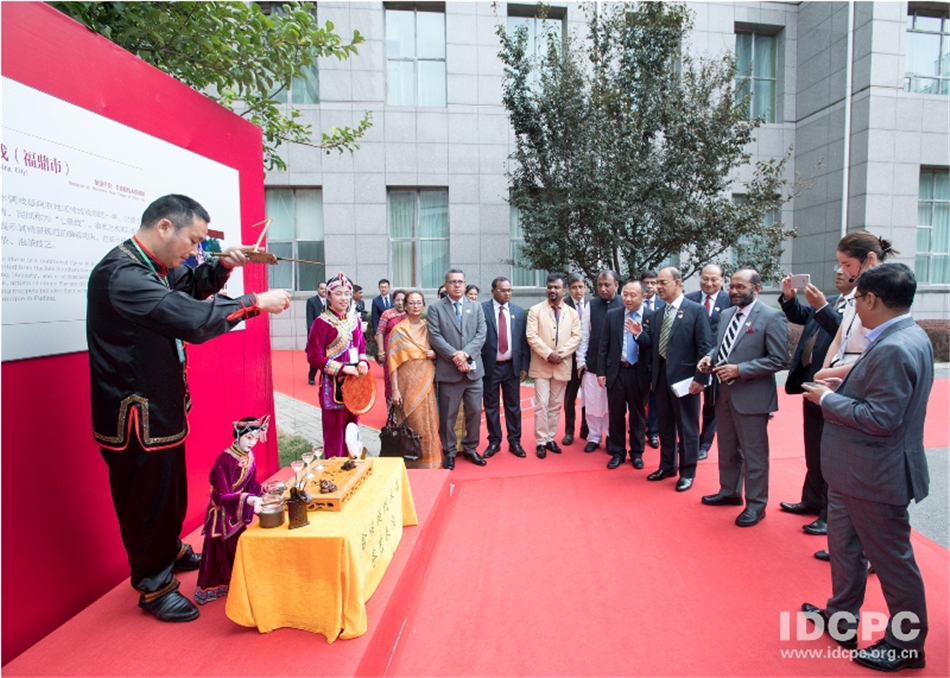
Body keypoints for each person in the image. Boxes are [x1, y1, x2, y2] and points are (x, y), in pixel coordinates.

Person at [87, 194, 291, 622]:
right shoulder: (122, 275)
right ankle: (154, 585)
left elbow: (190, 285)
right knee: (146, 500)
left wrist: (223, 266)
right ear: (164, 227)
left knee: (170, 492)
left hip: (158, 405)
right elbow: (192, 318)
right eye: (194, 241)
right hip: (135, 415)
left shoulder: (153, 267)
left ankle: (168, 550)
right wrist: (254, 302)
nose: (196, 250)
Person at [802, 263, 931, 672]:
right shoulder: (903, 334)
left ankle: (906, 644)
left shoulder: (895, 345)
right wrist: (845, 386)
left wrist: (827, 399)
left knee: (892, 562)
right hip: (854, 471)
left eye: (857, 298)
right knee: (844, 548)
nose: (854, 306)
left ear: (872, 299)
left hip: (875, 474)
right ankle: (841, 616)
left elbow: (881, 418)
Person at [699, 268, 788, 526]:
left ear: (756, 288)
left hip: (752, 397)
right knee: (727, 448)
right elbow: (722, 347)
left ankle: (756, 506)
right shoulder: (727, 314)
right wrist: (709, 358)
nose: (734, 291)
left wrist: (741, 370)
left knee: (754, 454)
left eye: (741, 287)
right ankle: (729, 491)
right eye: (732, 286)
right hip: (723, 393)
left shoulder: (771, 317)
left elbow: (779, 359)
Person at [778, 267, 853, 537]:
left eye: (845, 266)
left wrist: (822, 307)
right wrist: (790, 298)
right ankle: (811, 500)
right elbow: (801, 316)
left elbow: (845, 335)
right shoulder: (830, 301)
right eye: (837, 266)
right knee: (813, 446)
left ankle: (828, 514)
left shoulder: (856, 308)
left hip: (834, 386)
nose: (839, 271)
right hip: (811, 380)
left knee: (829, 452)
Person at [646, 267, 712, 492]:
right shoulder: (658, 314)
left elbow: (705, 348)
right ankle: (667, 466)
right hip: (662, 380)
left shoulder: (696, 311)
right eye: (656, 283)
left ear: (677, 282)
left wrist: (700, 379)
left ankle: (687, 472)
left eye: (662, 283)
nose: (658, 287)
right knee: (664, 425)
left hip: (686, 381)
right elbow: (654, 349)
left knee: (687, 428)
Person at [194, 415, 267, 605]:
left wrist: (263, 492)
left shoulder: (249, 455)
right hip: (221, 514)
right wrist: (248, 499)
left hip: (236, 511)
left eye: (255, 438)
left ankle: (237, 581)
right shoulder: (224, 460)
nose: (252, 443)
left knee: (237, 548)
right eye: (248, 438)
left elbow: (250, 484)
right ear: (238, 435)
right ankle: (216, 587)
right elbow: (222, 496)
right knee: (219, 553)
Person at [427, 268, 488, 470]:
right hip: (449, 372)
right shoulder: (436, 308)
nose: (457, 285)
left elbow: (481, 334)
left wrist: (466, 354)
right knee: (448, 416)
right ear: (446, 285)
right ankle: (450, 451)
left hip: (473, 373)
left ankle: (471, 448)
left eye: (460, 282)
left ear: (465, 283)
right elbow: (435, 336)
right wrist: (455, 356)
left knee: (474, 412)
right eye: (453, 282)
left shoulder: (476, 307)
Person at [817, 231, 896, 381]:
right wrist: (825, 370)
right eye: (841, 265)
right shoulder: (856, 291)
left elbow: (875, 356)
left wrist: (828, 373)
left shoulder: (886, 294)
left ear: (870, 259)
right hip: (842, 370)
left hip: (863, 375)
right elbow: (839, 338)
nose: (843, 271)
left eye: (847, 265)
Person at [306, 273, 370, 458]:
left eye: (347, 294)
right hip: (332, 386)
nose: (344, 298)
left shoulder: (354, 320)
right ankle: (334, 469)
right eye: (338, 293)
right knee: (334, 433)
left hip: (354, 382)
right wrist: (342, 368)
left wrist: (363, 361)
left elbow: (361, 346)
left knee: (352, 429)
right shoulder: (321, 323)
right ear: (328, 296)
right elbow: (314, 357)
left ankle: (352, 464)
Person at [526, 273, 582, 459]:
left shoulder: (572, 313)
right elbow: (531, 336)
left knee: (555, 405)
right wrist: (549, 353)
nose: (552, 290)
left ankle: (550, 438)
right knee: (541, 404)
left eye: (556, 287)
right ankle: (541, 441)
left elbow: (576, 337)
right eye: (550, 287)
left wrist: (561, 354)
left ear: (564, 290)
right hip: (542, 364)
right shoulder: (535, 310)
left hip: (562, 364)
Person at [597, 280, 652, 470]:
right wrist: (601, 372)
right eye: (625, 294)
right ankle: (617, 452)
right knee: (616, 414)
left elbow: (653, 347)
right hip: (617, 371)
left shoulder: (651, 316)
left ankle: (637, 453)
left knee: (638, 416)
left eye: (633, 295)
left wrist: (639, 335)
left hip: (639, 373)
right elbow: (604, 345)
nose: (627, 299)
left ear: (644, 296)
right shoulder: (613, 315)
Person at [388, 291, 442, 469]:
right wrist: (395, 390)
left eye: (419, 302)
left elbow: (441, 349)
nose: (415, 306)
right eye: (411, 303)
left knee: (428, 420)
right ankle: (410, 462)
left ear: (423, 305)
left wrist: (435, 354)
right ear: (405, 306)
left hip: (426, 381)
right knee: (410, 421)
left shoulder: (429, 328)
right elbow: (393, 363)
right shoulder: (398, 330)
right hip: (406, 382)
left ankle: (429, 461)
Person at [684, 264, 732, 460]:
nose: (709, 283)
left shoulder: (729, 301)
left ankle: (705, 443)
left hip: (718, 360)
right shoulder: (689, 299)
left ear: (722, 280)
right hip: (692, 360)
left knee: (712, 404)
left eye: (714, 279)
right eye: (705, 278)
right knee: (690, 403)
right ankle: (690, 440)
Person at [481, 277, 530, 459]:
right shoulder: (482, 310)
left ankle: (515, 441)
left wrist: (524, 366)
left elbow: (523, 342)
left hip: (511, 366)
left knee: (513, 406)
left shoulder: (518, 311)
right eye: (502, 290)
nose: (507, 293)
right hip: (490, 366)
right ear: (493, 291)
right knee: (491, 406)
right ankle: (494, 441)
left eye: (509, 290)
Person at [576, 270, 622, 453]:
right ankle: (594, 436)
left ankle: (611, 436)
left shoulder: (623, 303)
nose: (603, 289)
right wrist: (581, 360)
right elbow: (584, 335)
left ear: (616, 285)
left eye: (607, 285)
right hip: (594, 362)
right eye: (599, 285)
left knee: (612, 405)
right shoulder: (592, 305)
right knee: (593, 403)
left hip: (616, 365)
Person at [562, 273, 590, 446]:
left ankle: (586, 428)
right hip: (570, 359)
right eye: (574, 288)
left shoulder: (592, 303)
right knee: (570, 397)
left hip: (588, 358)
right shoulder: (563, 305)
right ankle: (569, 431)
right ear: (569, 289)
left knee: (589, 396)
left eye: (580, 287)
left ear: (585, 286)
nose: (578, 291)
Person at [640, 269, 665, 450]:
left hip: (657, 358)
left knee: (655, 397)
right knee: (638, 397)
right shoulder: (634, 302)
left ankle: (653, 432)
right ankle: (638, 428)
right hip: (637, 358)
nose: (649, 286)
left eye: (653, 282)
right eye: (646, 283)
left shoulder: (663, 304)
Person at [375, 289, 408, 401]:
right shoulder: (387, 313)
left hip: (406, 351)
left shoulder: (410, 314)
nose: (400, 303)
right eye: (397, 300)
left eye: (403, 300)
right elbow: (380, 332)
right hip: (390, 351)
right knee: (390, 377)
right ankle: (391, 407)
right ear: (393, 301)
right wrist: (381, 351)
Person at [306, 281, 328, 385]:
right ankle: (311, 376)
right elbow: (310, 319)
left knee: (327, 356)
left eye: (325, 288)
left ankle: (326, 377)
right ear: (317, 289)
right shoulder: (311, 301)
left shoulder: (330, 300)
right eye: (321, 288)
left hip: (328, 333)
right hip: (316, 333)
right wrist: (311, 333)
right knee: (316, 355)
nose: (323, 290)